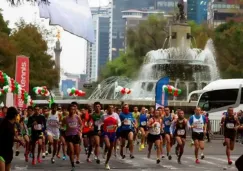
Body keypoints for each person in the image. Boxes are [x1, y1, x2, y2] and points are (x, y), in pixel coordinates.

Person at [0, 107, 24, 171]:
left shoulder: (12, 124)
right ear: (14, 115)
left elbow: (9, 137)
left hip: (8, 152)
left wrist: (19, 141)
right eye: (17, 115)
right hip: (1, 152)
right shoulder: (4, 123)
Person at [98, 105, 121, 170]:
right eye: (109, 108)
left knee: (110, 149)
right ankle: (105, 151)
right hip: (106, 132)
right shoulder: (104, 116)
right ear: (107, 109)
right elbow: (99, 123)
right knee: (108, 145)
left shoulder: (116, 115)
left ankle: (107, 163)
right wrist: (99, 130)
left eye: (112, 108)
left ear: (113, 109)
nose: (110, 109)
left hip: (113, 133)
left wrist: (117, 125)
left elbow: (119, 122)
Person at [63, 104, 82, 171]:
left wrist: (80, 130)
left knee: (76, 151)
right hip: (69, 136)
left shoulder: (77, 117)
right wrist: (64, 129)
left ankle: (74, 157)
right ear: (69, 110)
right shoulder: (65, 118)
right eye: (71, 109)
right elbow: (63, 125)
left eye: (74, 109)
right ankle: (72, 164)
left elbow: (81, 124)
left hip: (76, 135)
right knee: (72, 150)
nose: (72, 111)